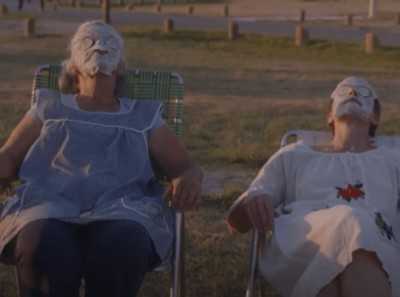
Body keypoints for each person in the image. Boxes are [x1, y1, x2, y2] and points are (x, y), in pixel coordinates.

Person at [0, 20, 203, 297]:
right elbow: (9, 156)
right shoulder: (49, 106)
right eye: (88, 42)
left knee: (121, 248)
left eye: (110, 43)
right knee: (44, 247)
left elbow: (185, 165)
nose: (99, 47)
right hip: (48, 205)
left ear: (120, 67)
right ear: (73, 66)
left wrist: (188, 179)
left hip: (123, 208)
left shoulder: (142, 115)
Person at [227, 76, 400, 297]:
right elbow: (237, 224)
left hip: (375, 243)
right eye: (344, 91)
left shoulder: (393, 161)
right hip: (304, 242)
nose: (352, 94)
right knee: (350, 221)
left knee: (351, 237)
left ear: (375, 117)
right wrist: (253, 202)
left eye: (363, 92)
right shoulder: (295, 155)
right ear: (329, 115)